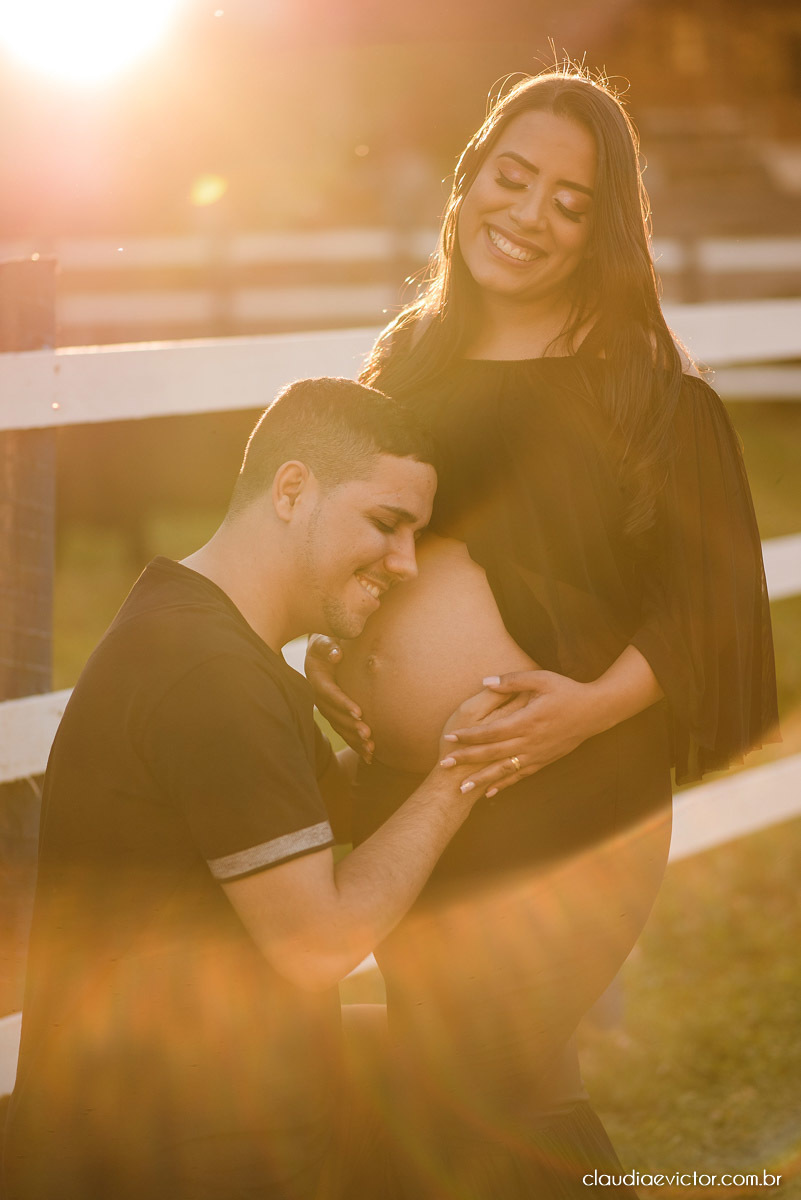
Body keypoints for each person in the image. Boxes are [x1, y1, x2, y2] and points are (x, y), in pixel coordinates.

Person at [306, 68, 779, 1197]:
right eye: (509, 179)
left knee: (459, 1080)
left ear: (603, 229)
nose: (526, 215)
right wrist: (335, 651)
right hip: (411, 797)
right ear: (467, 182)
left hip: (572, 792)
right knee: (505, 1091)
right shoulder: (406, 364)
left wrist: (580, 713)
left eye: (569, 201)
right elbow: (353, 546)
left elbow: (711, 611)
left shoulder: (647, 391)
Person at [1, 377, 511, 1200]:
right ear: (291, 489)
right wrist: (467, 767)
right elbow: (318, 944)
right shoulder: (209, 676)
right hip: (166, 1151)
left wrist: (378, 738)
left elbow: (286, 826)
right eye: (386, 524)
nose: (405, 562)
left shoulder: (196, 627)